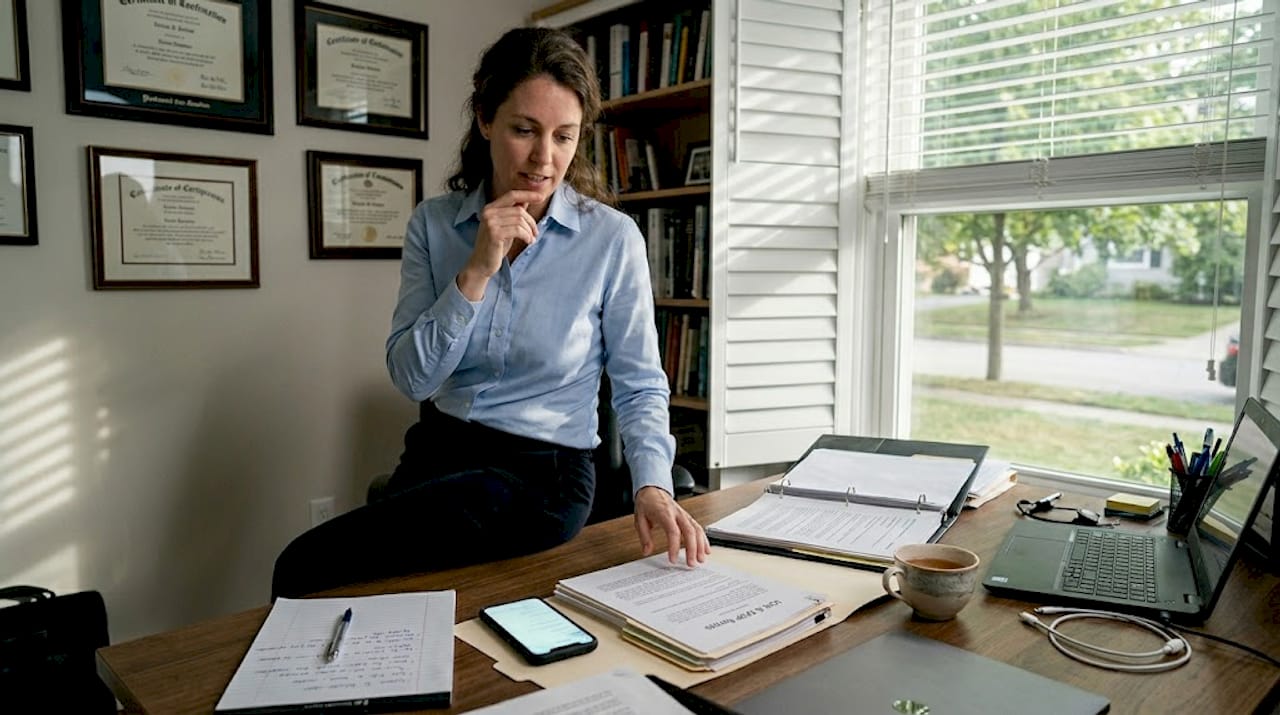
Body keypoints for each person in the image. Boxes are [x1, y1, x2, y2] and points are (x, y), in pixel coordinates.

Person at [271, 26, 709, 599]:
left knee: (304, 568)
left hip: (545, 477)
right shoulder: (434, 225)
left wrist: (653, 484)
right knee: (375, 595)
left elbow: (640, 384)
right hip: (438, 451)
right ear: (484, 119)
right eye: (524, 130)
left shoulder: (611, 239)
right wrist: (476, 270)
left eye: (564, 136)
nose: (543, 158)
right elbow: (413, 377)